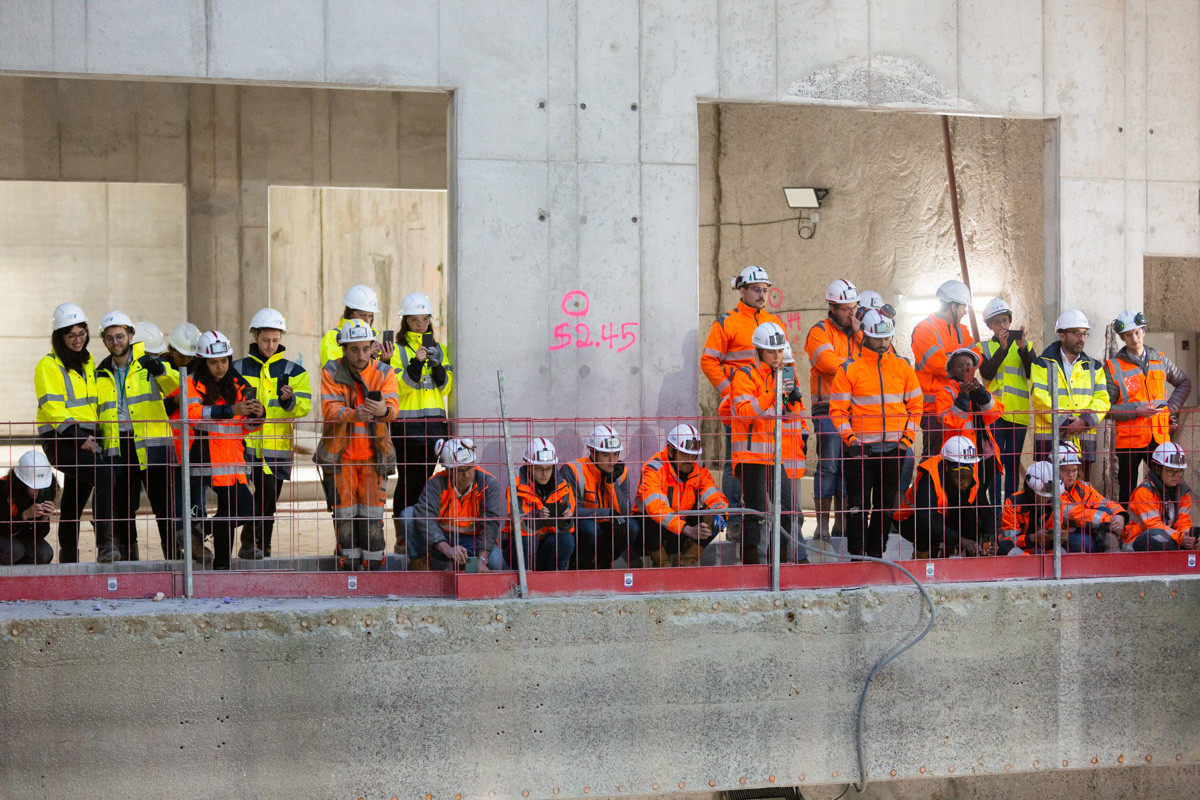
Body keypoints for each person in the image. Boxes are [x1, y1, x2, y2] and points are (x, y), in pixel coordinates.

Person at [830, 309, 922, 559]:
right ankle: (857, 555)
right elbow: (837, 411)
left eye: (887, 338)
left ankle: (876, 554)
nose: (883, 343)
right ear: (865, 337)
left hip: (894, 449)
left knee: (884, 506)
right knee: (858, 506)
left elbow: (916, 406)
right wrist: (851, 440)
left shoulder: (903, 366)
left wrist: (906, 441)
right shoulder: (849, 369)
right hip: (860, 450)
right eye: (878, 338)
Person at [94, 311, 182, 560]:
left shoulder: (150, 364)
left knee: (164, 506)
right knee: (123, 507)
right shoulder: (100, 372)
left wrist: (162, 372)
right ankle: (129, 561)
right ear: (104, 341)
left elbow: (180, 388)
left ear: (131, 336)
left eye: (120, 336)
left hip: (153, 443)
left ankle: (174, 560)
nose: (115, 342)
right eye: (109, 338)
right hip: (118, 445)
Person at [701, 266, 784, 521]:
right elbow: (709, 361)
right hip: (742, 406)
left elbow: (785, 362)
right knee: (734, 463)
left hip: (771, 406)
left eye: (765, 290)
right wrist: (732, 393)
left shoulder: (775, 322)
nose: (762, 295)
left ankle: (766, 517)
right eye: (756, 289)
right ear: (742, 290)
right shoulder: (727, 322)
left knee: (771, 463)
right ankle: (736, 519)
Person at [314, 319, 399, 571]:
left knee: (373, 517)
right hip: (341, 458)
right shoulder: (331, 371)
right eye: (354, 349)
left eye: (365, 348)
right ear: (343, 349)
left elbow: (393, 410)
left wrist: (382, 410)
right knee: (344, 516)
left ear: (372, 346)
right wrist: (354, 414)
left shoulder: (384, 371)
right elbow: (330, 408)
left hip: (375, 457)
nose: (360, 355)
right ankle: (348, 567)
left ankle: (373, 568)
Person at [233, 308, 312, 559]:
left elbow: (304, 406)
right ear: (255, 336)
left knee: (268, 501)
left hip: (276, 448)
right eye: (266, 340)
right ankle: (250, 544)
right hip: (243, 445)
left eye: (275, 340)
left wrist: (289, 401)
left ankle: (262, 547)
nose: (270, 345)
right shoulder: (237, 368)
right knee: (245, 500)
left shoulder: (294, 371)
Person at [730, 322, 808, 564]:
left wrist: (793, 400)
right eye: (771, 352)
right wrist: (773, 392)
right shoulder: (745, 375)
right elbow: (744, 412)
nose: (776, 357)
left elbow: (789, 416)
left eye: (779, 351)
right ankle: (751, 563)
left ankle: (779, 563)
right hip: (751, 456)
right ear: (759, 351)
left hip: (777, 456)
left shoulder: (786, 373)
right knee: (753, 512)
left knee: (787, 511)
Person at [185, 331, 263, 570]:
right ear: (202, 362)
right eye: (213, 362)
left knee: (231, 515)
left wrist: (258, 417)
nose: (220, 367)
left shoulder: (240, 384)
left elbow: (246, 426)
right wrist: (231, 409)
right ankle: (199, 533)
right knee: (243, 511)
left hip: (232, 460)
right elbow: (193, 416)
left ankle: (220, 566)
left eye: (224, 360)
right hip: (205, 458)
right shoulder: (191, 383)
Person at [382, 291, 453, 553]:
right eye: (414, 320)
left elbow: (446, 388)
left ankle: (420, 532)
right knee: (408, 481)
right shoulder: (397, 350)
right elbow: (399, 388)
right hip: (407, 426)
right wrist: (416, 362)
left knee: (426, 481)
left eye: (425, 319)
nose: (420, 325)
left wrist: (436, 366)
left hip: (434, 426)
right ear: (406, 322)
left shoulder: (440, 349)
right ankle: (403, 537)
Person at [35, 303, 105, 563]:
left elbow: (91, 404)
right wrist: (80, 438)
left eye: (82, 333)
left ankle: (68, 559)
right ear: (60, 337)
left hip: (88, 436)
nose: (78, 340)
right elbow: (53, 408)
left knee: (74, 501)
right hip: (62, 439)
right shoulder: (48, 365)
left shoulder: (87, 362)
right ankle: (108, 542)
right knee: (105, 475)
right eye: (71, 335)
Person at [1104, 311, 1192, 505]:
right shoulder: (1113, 366)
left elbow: (1184, 382)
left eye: (1137, 332)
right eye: (1128, 335)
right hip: (1129, 442)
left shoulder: (1159, 359)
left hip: (1159, 437)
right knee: (1126, 492)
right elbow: (1106, 409)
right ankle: (1126, 531)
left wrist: (1171, 409)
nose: (1134, 338)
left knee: (1165, 488)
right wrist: (1136, 410)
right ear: (1121, 337)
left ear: (1143, 331)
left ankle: (1163, 528)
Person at [804, 278, 860, 540]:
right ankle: (822, 526)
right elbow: (827, 363)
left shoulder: (860, 333)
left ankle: (842, 524)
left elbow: (876, 359)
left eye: (854, 307)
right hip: (827, 408)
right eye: (847, 309)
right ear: (833, 308)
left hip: (854, 410)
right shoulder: (819, 331)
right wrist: (856, 368)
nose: (852, 313)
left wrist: (860, 333)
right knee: (828, 466)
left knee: (848, 467)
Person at [1030, 310, 1110, 482]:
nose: (1081, 338)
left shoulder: (1094, 367)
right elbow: (1039, 398)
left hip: (1083, 441)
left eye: (1084, 333)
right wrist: (1066, 422)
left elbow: (1103, 400)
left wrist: (1084, 421)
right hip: (1050, 441)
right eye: (1076, 333)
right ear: (1062, 335)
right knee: (1048, 491)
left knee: (1080, 493)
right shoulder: (1041, 364)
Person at [635, 424, 729, 567]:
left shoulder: (699, 470)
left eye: (693, 455)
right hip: (648, 535)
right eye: (684, 454)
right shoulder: (655, 468)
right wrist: (686, 528)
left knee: (714, 516)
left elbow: (715, 496)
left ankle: (688, 563)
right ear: (671, 452)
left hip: (681, 530)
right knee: (651, 519)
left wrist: (721, 513)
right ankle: (663, 567)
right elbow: (655, 508)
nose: (689, 459)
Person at [405, 437, 504, 571]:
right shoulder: (436, 483)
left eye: (470, 468)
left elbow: (491, 524)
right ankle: (422, 572)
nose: (467, 475)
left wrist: (482, 558)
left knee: (495, 562)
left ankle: (468, 568)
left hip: (472, 541)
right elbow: (425, 516)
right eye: (460, 471)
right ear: (449, 470)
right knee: (408, 515)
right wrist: (448, 549)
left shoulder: (488, 484)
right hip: (441, 540)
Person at [894, 436, 994, 557]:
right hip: (909, 520)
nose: (964, 482)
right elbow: (924, 518)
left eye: (968, 471)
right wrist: (960, 540)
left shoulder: (972, 478)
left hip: (942, 517)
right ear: (946, 465)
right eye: (959, 472)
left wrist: (990, 539)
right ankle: (921, 559)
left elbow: (986, 513)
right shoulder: (929, 475)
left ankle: (951, 555)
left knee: (971, 519)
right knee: (927, 532)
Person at [977, 297, 1035, 501]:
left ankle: (1010, 511)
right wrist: (1002, 349)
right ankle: (995, 515)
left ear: (1010, 321)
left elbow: (1032, 373)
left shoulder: (1024, 345)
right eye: (997, 322)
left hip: (1018, 415)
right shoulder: (983, 347)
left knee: (1011, 464)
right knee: (995, 464)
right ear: (990, 326)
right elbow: (987, 373)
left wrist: (1022, 349)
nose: (1002, 325)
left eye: (1005, 320)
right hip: (994, 415)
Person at [934, 347, 1003, 515]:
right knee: (965, 496)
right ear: (951, 370)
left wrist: (981, 392)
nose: (965, 368)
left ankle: (984, 531)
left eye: (969, 365)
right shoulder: (945, 393)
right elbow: (952, 421)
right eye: (960, 365)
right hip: (960, 454)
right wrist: (963, 396)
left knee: (979, 493)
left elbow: (994, 413)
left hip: (984, 452)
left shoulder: (979, 388)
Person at [911, 279, 974, 457]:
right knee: (934, 459)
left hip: (958, 404)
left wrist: (958, 362)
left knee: (957, 459)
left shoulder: (962, 330)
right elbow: (938, 364)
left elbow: (976, 359)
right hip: (933, 410)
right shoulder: (924, 329)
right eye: (963, 307)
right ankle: (927, 486)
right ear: (953, 306)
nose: (965, 311)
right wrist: (962, 363)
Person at [563, 425, 638, 570]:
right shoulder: (573, 469)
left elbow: (625, 511)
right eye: (606, 455)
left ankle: (603, 563)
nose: (612, 460)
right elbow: (573, 510)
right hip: (582, 525)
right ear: (593, 452)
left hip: (607, 524)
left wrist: (611, 482)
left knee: (632, 526)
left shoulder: (621, 472)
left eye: (616, 454)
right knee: (591, 529)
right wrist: (607, 514)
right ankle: (580, 565)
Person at [504, 438, 576, 571]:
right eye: (539, 469)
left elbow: (569, 530)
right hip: (520, 548)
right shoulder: (515, 488)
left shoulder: (564, 487)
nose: (544, 474)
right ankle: (526, 582)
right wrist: (537, 515)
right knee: (529, 540)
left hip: (546, 544)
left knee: (566, 539)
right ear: (528, 465)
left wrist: (567, 519)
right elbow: (517, 526)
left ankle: (553, 580)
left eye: (549, 468)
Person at [1122, 442, 1198, 551]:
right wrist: (1180, 538)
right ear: (1158, 469)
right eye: (1170, 470)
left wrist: (1187, 535)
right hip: (1136, 541)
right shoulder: (1145, 491)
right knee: (1155, 536)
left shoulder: (1183, 495)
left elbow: (1183, 523)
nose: (1175, 475)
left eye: (1178, 471)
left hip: (1167, 538)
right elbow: (1152, 525)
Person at [1053, 443, 1125, 553]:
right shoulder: (1052, 491)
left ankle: (1113, 553)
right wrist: (1109, 520)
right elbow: (1074, 514)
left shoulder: (1083, 487)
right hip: (1062, 537)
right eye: (1065, 470)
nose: (1071, 475)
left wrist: (1120, 516)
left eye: (1074, 470)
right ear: (1055, 471)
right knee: (1088, 543)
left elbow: (1105, 503)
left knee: (1104, 511)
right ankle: (1112, 554)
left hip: (1085, 529)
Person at [0, 451, 57, 565]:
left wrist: (44, 519)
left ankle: (22, 574)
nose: (38, 491)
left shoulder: (42, 494)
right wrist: (24, 516)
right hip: (3, 535)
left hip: (19, 538)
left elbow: (38, 536)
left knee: (44, 552)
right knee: (15, 550)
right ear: (21, 482)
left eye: (42, 487)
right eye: (34, 487)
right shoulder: (2, 489)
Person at [998, 461, 1057, 555]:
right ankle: (1031, 562)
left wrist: (1056, 536)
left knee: (1067, 546)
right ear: (1031, 489)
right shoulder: (1013, 503)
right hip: (1019, 549)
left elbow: (1054, 537)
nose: (1046, 499)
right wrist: (1032, 538)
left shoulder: (1055, 503)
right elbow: (1009, 539)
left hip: (1042, 548)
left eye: (1048, 495)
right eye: (1041, 495)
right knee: (1003, 547)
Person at [319, 284, 381, 367]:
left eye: (370, 316)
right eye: (363, 315)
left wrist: (385, 361)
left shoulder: (372, 338)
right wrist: (368, 356)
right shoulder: (333, 337)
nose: (367, 321)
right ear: (350, 313)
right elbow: (333, 372)